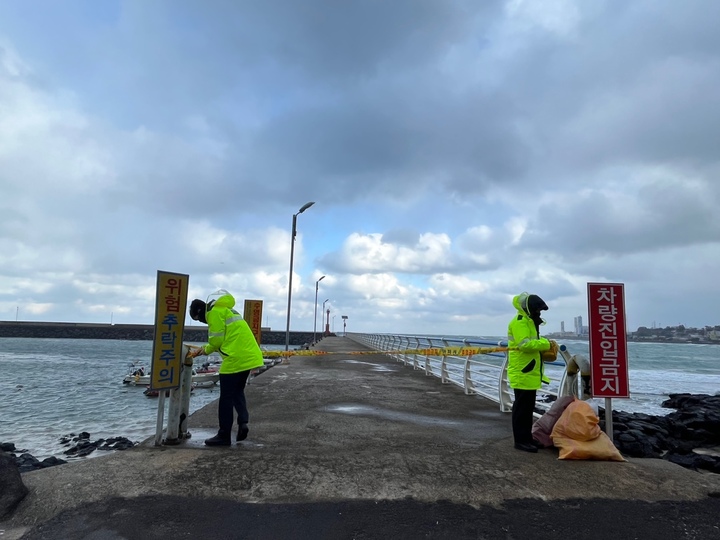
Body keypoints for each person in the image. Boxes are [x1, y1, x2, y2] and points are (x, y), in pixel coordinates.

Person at [189, 290, 265, 446]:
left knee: (226, 398)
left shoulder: (214, 313)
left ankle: (224, 435)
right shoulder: (227, 309)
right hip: (249, 357)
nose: (203, 322)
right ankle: (243, 422)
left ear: (200, 312)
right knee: (237, 391)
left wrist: (202, 350)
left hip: (235, 358)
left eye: (199, 319)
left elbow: (216, 341)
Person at [506, 292, 555, 453]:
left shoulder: (528, 321)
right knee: (521, 408)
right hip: (523, 370)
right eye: (537, 310)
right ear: (529, 308)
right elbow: (525, 345)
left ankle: (527, 437)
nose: (539, 313)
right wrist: (546, 343)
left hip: (529, 370)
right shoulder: (520, 322)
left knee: (528, 407)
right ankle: (520, 441)